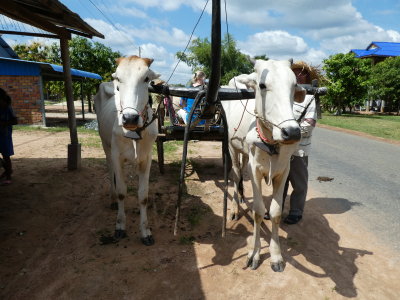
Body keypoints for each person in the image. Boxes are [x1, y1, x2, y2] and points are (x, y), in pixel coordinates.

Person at [0, 88, 18, 185]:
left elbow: (15, 121)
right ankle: (7, 171)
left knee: (6, 156)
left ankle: (8, 176)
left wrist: (4, 123)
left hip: (5, 136)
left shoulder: (8, 108)